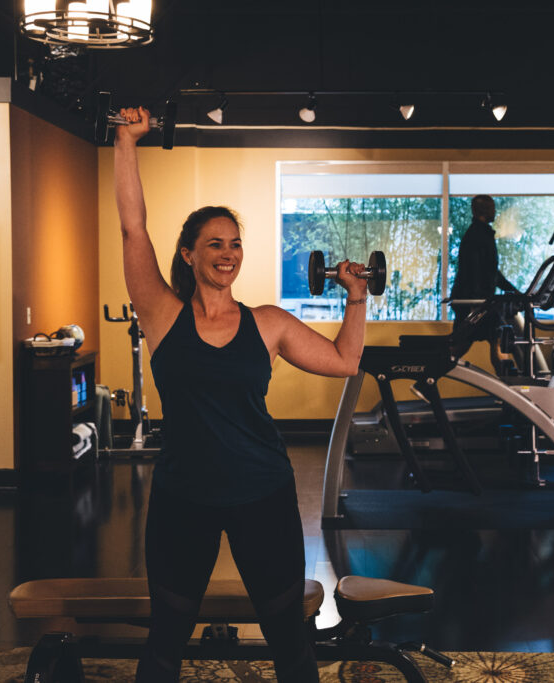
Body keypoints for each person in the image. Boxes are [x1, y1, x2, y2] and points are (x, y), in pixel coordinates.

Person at [115, 107, 367, 683]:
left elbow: (345, 360)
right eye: (213, 244)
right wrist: (125, 140)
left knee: (288, 641)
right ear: (188, 254)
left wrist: (357, 298)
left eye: (234, 244)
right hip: (184, 498)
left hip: (263, 495)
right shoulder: (161, 315)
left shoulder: (268, 323)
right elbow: (134, 226)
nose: (226, 254)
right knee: (166, 641)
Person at [449, 195, 521, 372]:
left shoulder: (482, 233)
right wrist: (475, 305)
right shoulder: (477, 235)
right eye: (492, 208)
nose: (495, 212)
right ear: (482, 211)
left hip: (479, 301)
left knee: (467, 343)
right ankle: (507, 389)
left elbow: (491, 272)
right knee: (493, 338)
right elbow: (473, 271)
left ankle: (507, 389)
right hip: (475, 303)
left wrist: (514, 292)